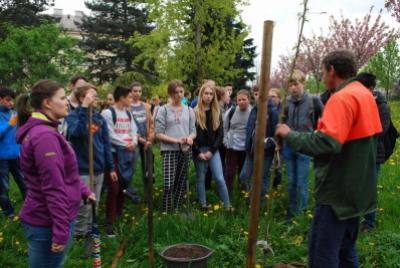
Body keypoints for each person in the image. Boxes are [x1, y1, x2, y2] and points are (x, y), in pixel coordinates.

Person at [276, 50, 382, 267]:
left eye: (323, 73)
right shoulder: (364, 94)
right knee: (346, 251)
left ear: (332, 70)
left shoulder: (341, 98)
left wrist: (289, 135)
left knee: (322, 254)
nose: (323, 78)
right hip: (358, 191)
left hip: (337, 193)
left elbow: (326, 143)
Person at [15, 79, 95, 268]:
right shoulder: (44, 137)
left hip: (52, 218)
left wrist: (83, 190)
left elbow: (65, 172)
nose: (67, 101)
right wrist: (61, 231)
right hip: (47, 222)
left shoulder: (48, 130)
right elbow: (53, 187)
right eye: (62, 97)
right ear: (47, 103)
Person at [66, 84, 117, 239]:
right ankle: (79, 234)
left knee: (95, 202)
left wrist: (111, 167)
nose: (95, 98)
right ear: (82, 98)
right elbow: (77, 133)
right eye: (92, 95)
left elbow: (106, 143)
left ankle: (90, 230)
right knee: (83, 205)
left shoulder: (98, 118)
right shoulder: (73, 116)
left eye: (96, 95)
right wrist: (83, 109)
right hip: (83, 168)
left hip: (99, 167)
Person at [282, 70, 323, 221]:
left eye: (296, 84)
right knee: (291, 182)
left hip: (305, 145)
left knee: (301, 182)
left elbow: (324, 117)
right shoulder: (287, 102)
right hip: (289, 146)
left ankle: (301, 214)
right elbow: (283, 121)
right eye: (291, 85)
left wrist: (316, 134)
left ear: (303, 84)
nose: (293, 88)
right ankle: (291, 214)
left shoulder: (313, 100)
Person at [356, 72, 391, 231]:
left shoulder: (382, 105)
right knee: (357, 186)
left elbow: (382, 129)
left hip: (375, 153)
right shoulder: (359, 101)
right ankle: (355, 218)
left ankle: (369, 223)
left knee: (369, 189)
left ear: (370, 89)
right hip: (359, 152)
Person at [101, 86, 139, 236]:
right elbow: (109, 135)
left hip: (127, 154)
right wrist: (126, 144)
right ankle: (109, 221)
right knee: (114, 188)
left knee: (123, 185)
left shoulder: (128, 114)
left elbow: (134, 130)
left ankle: (118, 215)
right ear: (122, 97)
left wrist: (134, 142)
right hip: (114, 155)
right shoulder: (108, 113)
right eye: (129, 97)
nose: (131, 100)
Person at [155, 80, 196, 213]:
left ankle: (176, 208)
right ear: (170, 94)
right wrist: (176, 140)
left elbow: (193, 130)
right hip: (168, 150)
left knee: (181, 182)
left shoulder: (189, 110)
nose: (179, 95)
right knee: (168, 184)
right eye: (175, 92)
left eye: (181, 92)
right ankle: (166, 211)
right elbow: (158, 133)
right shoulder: (163, 110)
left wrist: (190, 138)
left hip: (185, 151)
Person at [193, 84, 231, 208]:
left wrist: (211, 151)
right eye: (206, 93)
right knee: (201, 178)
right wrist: (198, 152)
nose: (208, 96)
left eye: (211, 94)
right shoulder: (194, 112)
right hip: (199, 150)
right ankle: (203, 204)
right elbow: (191, 134)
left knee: (219, 178)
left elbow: (220, 135)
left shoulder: (217, 111)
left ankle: (227, 205)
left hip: (213, 150)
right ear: (201, 95)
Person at [240, 85, 279, 199]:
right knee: (244, 176)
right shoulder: (254, 110)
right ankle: (250, 198)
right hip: (251, 151)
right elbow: (249, 129)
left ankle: (259, 204)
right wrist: (248, 144)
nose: (257, 96)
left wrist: (267, 144)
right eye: (255, 94)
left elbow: (275, 135)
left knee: (262, 178)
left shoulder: (272, 112)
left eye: (260, 94)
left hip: (265, 152)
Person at [0, 87, 26, 218]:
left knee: (25, 184)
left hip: (17, 156)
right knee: (3, 190)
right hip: (1, 158)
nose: (11, 103)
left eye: (12, 100)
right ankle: (9, 214)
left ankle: (31, 211)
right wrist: (9, 124)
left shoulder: (14, 113)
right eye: (7, 100)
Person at [223, 89, 251, 196]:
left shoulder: (252, 112)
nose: (242, 102)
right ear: (236, 101)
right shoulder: (231, 111)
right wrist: (225, 140)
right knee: (230, 173)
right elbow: (225, 127)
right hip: (232, 147)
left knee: (243, 174)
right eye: (239, 100)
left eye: (244, 99)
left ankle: (243, 195)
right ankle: (227, 195)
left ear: (248, 100)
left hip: (246, 148)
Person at [130, 82, 155, 193]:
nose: (137, 93)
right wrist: (138, 138)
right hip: (134, 140)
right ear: (131, 92)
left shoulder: (146, 106)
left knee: (147, 166)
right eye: (135, 91)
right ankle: (128, 187)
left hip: (146, 140)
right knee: (131, 164)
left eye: (139, 91)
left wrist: (149, 139)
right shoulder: (127, 107)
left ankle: (148, 189)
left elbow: (151, 124)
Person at [268, 88, 283, 188]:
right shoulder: (268, 110)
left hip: (280, 144)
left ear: (279, 98)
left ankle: (276, 188)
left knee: (278, 167)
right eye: (269, 96)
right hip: (269, 142)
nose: (271, 99)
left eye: (273, 96)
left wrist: (279, 143)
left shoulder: (282, 111)